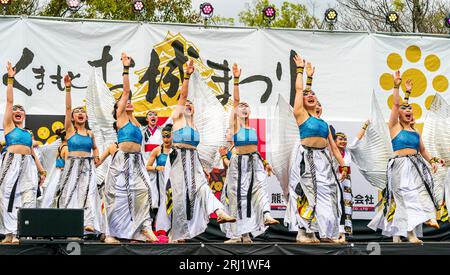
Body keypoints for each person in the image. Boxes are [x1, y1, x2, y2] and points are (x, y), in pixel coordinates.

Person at [368, 72, 445, 243]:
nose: (408, 110)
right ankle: (410, 233)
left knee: (422, 192)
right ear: (398, 115)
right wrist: (397, 87)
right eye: (404, 109)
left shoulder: (414, 131)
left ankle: (406, 231)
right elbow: (397, 104)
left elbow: (423, 149)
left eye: (410, 108)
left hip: (416, 165)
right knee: (405, 198)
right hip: (400, 166)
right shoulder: (394, 127)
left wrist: (433, 160)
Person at [165, 59, 235, 243]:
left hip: (193, 160)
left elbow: (200, 148)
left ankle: (219, 212)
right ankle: (176, 234)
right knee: (180, 196)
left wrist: (203, 166)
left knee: (202, 188)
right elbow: (182, 96)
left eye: (190, 104)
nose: (187, 104)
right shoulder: (177, 117)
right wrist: (187, 76)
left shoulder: (195, 125)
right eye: (185, 103)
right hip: (178, 159)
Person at [284, 54, 348, 244]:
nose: (310, 96)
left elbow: (334, 148)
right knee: (307, 192)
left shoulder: (324, 123)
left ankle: (326, 233)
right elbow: (299, 90)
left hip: (323, 160)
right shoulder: (301, 115)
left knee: (328, 194)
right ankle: (303, 233)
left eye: (313, 95)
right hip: (306, 158)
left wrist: (343, 165)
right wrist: (301, 71)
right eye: (307, 96)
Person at [103, 52, 158, 244]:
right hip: (122, 160)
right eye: (125, 101)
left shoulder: (135, 122)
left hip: (137, 161)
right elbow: (126, 92)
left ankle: (141, 230)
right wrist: (126, 69)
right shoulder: (121, 117)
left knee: (144, 191)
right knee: (115, 195)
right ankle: (110, 234)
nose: (128, 102)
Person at [220, 63, 279, 243]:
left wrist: (266, 162)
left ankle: (266, 214)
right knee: (239, 197)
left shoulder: (252, 128)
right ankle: (240, 234)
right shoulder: (235, 125)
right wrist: (236, 80)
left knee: (260, 189)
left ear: (250, 111)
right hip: (239, 164)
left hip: (254, 161)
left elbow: (256, 149)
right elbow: (236, 101)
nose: (243, 107)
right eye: (241, 106)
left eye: (247, 106)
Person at [0, 62, 46, 243]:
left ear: (25, 115)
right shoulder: (9, 127)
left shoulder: (28, 133)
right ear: (11, 115)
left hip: (28, 163)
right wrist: (10, 79)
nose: (18, 111)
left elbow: (33, 153)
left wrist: (41, 170)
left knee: (29, 195)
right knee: (6, 194)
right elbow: (10, 101)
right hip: (11, 161)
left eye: (21, 110)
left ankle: (21, 232)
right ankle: (8, 234)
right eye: (15, 110)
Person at [54, 74, 103, 235]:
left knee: (88, 192)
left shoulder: (90, 133)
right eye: (77, 112)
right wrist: (68, 88)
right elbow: (68, 109)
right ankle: (67, 222)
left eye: (82, 111)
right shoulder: (70, 131)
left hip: (87, 166)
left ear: (86, 117)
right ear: (73, 118)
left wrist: (96, 156)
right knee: (69, 192)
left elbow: (95, 148)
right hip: (72, 165)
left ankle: (88, 222)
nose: (80, 113)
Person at [146, 124, 173, 241]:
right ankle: (161, 230)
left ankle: (173, 231)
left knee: (174, 204)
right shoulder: (157, 150)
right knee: (163, 203)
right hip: (161, 182)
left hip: (173, 181)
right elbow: (147, 166)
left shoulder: (176, 149)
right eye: (164, 137)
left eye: (168, 137)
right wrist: (157, 168)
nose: (166, 140)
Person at [41, 128, 68, 208]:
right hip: (62, 172)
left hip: (57, 171)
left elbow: (57, 159)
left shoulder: (60, 147)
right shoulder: (66, 148)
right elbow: (68, 163)